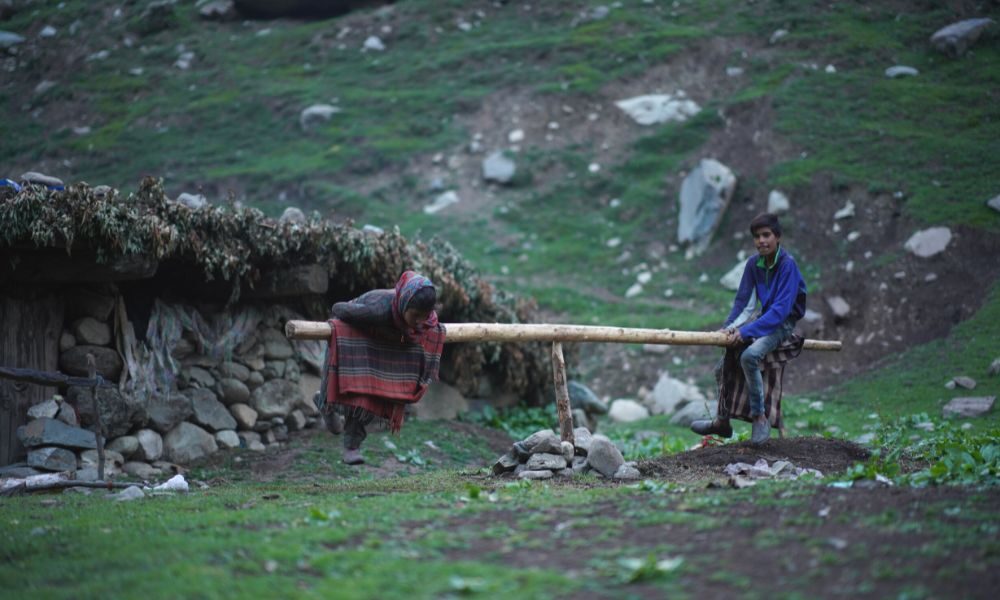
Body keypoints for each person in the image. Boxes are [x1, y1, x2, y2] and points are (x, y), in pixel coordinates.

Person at [691, 213, 807, 444]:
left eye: (766, 235)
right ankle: (722, 421)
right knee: (722, 367)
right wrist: (728, 329)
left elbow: (781, 311)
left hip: (783, 322)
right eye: (757, 236)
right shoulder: (754, 264)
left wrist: (745, 332)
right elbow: (744, 303)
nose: (761, 241)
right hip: (765, 317)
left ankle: (759, 417)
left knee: (749, 356)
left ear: (777, 237)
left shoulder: (788, 266)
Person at [318, 270, 445, 465]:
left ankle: (352, 445)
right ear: (403, 305)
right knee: (354, 395)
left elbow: (427, 324)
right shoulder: (378, 309)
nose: (420, 322)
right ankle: (325, 404)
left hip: (380, 344)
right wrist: (363, 328)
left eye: (425, 316)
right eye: (415, 316)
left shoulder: (427, 320)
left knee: (368, 398)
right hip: (352, 342)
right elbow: (338, 309)